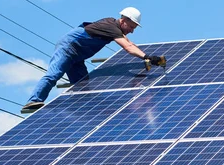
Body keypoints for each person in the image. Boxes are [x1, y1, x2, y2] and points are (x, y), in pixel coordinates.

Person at [21, 7, 165, 112]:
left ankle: (78, 109)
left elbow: (129, 43)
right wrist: (147, 57)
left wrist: (149, 58)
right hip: (68, 48)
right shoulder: (111, 27)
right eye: (132, 27)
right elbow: (127, 47)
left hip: (78, 55)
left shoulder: (114, 26)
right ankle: (34, 100)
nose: (132, 30)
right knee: (54, 75)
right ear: (124, 20)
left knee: (81, 85)